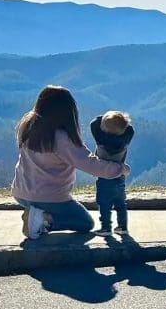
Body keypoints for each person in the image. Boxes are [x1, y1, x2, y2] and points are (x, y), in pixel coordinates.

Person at [12, 86, 129, 241]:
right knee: (85, 222)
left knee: (64, 209)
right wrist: (119, 169)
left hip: (21, 194)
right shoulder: (61, 138)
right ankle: (44, 220)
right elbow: (90, 163)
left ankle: (36, 215)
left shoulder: (27, 125)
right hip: (49, 197)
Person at [90, 110, 135, 234]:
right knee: (120, 204)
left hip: (104, 178)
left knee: (104, 205)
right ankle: (123, 227)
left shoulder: (101, 139)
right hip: (119, 177)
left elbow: (94, 123)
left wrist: (102, 118)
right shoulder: (125, 140)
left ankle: (106, 228)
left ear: (104, 130)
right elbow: (130, 129)